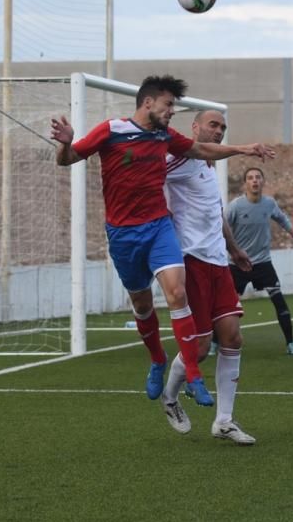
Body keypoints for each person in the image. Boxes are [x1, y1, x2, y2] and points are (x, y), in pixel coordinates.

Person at [50, 74, 275, 407]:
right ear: (148, 102)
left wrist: (243, 149)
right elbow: (66, 160)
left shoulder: (164, 136)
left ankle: (195, 378)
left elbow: (199, 148)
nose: (172, 111)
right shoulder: (111, 130)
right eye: (169, 105)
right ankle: (157, 359)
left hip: (159, 228)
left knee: (177, 292)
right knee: (142, 306)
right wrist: (67, 142)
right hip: (123, 234)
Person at [160, 109, 256, 444]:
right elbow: (146, 178)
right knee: (200, 348)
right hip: (191, 261)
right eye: (213, 125)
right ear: (195, 127)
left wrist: (234, 249)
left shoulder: (206, 165)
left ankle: (225, 422)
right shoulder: (175, 158)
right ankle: (170, 398)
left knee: (232, 337)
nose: (219, 131)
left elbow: (215, 212)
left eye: (223, 128)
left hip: (218, 262)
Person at [225, 167, 293, 356]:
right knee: (226, 307)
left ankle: (291, 344)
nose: (254, 181)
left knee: (279, 302)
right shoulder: (235, 206)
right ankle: (216, 343)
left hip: (263, 263)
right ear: (245, 183)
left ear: (263, 181)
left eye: (258, 177)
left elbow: (284, 221)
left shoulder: (269, 203)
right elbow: (220, 229)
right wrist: (230, 252)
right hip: (238, 265)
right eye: (250, 178)